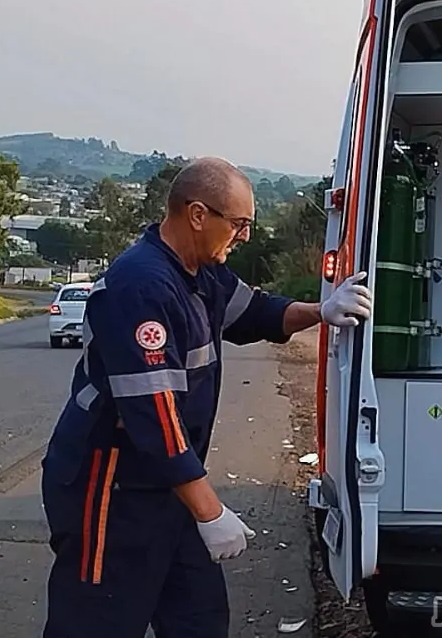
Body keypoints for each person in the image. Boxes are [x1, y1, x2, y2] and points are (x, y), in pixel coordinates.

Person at [39, 157, 372, 638]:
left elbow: (257, 312)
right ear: (198, 214)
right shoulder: (141, 286)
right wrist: (210, 511)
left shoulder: (202, 272)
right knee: (97, 620)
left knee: (199, 618)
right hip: (111, 492)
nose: (244, 237)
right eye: (239, 224)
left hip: (168, 488)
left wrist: (322, 310)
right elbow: (154, 420)